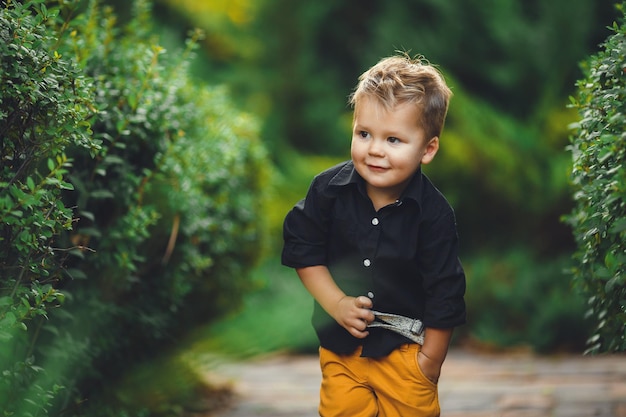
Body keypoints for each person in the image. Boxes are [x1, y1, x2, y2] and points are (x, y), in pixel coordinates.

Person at [281, 53, 466, 417]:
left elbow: (445, 289)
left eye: (394, 140)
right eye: (364, 134)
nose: (375, 149)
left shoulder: (433, 214)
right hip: (341, 351)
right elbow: (304, 250)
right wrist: (336, 304)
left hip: (407, 354)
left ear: (427, 149)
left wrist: (431, 360)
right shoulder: (328, 191)